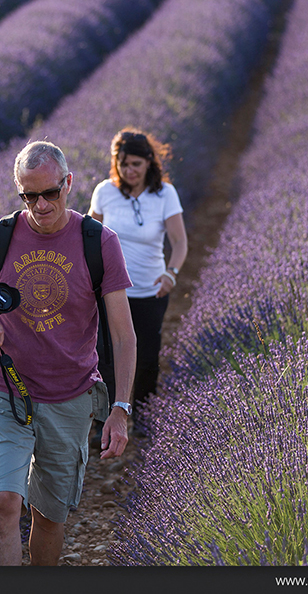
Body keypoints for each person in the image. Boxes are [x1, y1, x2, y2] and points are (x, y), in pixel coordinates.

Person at [0, 140, 137, 566]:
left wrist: (120, 409)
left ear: (68, 184)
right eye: (29, 195)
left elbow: (123, 334)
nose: (40, 205)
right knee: (4, 502)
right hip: (6, 388)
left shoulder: (99, 242)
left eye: (50, 193)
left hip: (70, 394)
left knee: (49, 515)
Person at [87, 128, 188, 416]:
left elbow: (179, 242)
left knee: (146, 358)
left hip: (149, 290)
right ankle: (102, 421)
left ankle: (143, 416)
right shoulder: (105, 192)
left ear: (149, 163)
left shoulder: (165, 194)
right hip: (110, 292)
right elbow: (89, 238)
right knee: (104, 358)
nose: (130, 170)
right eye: (124, 164)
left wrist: (172, 273)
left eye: (136, 164)